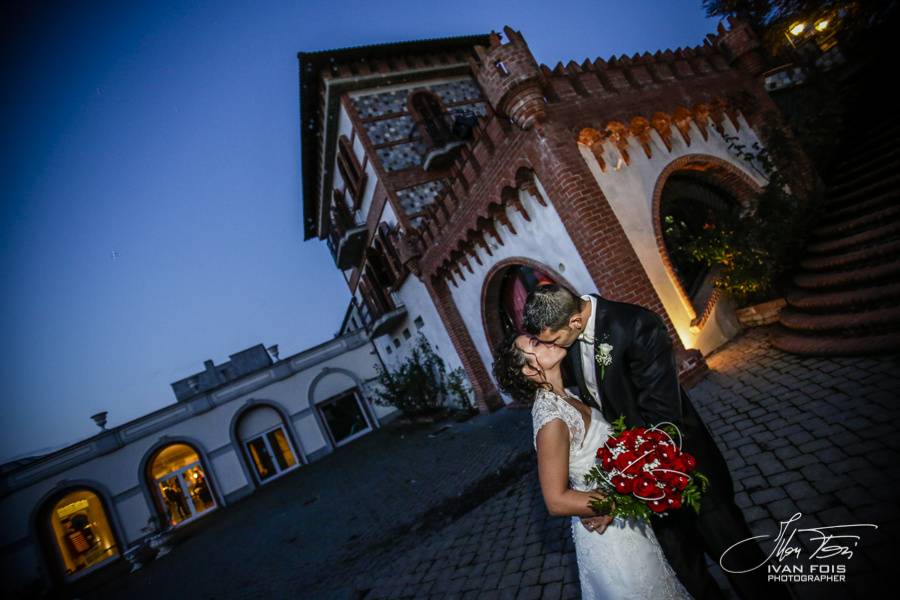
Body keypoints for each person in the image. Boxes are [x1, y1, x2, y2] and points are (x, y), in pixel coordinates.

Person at [521, 284, 794, 600]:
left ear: (575, 323)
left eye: (552, 340)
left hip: (689, 473)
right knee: (689, 577)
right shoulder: (564, 343)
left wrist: (620, 495)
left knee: (744, 568)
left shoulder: (636, 325)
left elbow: (663, 419)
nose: (552, 347)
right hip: (642, 492)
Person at [492, 332, 694, 600]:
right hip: (610, 539)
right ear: (529, 370)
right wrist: (613, 505)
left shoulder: (568, 394)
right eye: (535, 344)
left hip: (627, 523)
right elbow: (556, 500)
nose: (546, 339)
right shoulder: (551, 420)